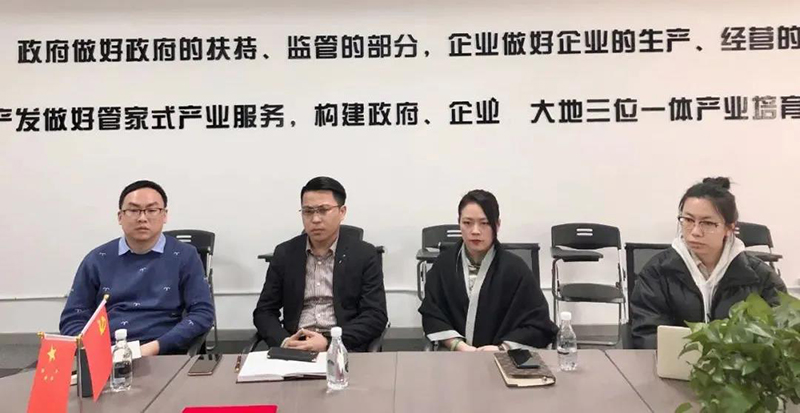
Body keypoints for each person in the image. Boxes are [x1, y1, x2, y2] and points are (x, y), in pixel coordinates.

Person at [60, 180, 214, 355]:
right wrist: (94, 351)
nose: (142, 218)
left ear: (164, 215)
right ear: (120, 217)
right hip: (106, 352)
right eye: (133, 210)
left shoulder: (185, 256)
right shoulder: (97, 259)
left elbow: (202, 314)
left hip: (161, 352)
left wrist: (151, 348)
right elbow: (73, 317)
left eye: (152, 210)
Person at [630, 177, 786, 349]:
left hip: (738, 365)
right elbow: (647, 333)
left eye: (707, 223)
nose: (695, 232)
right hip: (674, 363)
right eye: (688, 220)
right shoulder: (657, 272)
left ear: (729, 228)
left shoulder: (761, 277)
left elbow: (780, 335)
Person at [253, 176, 388, 352]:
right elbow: (264, 311)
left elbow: (375, 315)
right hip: (295, 346)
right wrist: (285, 342)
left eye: (323, 210)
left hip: (342, 346)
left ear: (342, 212)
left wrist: (329, 341)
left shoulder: (364, 254)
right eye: (308, 211)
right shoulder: (285, 253)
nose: (315, 219)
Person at [418, 189, 557, 351]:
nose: (475, 231)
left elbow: (538, 323)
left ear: (497, 225)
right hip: (454, 355)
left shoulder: (516, 269)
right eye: (467, 223)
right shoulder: (444, 265)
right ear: (459, 223)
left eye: (484, 223)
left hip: (504, 357)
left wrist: (502, 348)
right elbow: (432, 314)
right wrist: (457, 345)